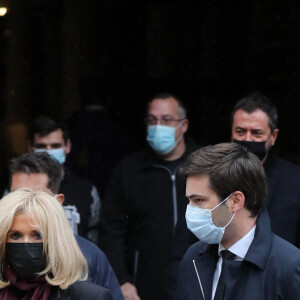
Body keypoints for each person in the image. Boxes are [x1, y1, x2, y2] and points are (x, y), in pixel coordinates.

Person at [99, 93, 199, 300]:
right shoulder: (128, 171)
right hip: (142, 289)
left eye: (166, 120)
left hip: (198, 286)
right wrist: (122, 281)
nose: (158, 126)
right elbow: (112, 232)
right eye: (152, 120)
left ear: (184, 125)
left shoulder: (205, 167)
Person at [176, 142, 300, 300]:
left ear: (235, 201)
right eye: (190, 200)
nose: (190, 209)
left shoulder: (289, 266)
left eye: (199, 200)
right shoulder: (193, 258)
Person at [9, 152, 124, 300]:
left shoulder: (88, 256)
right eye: (16, 196)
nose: (24, 205)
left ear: (58, 202)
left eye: (36, 197)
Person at [0, 188, 112, 299]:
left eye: (38, 235)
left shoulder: (91, 297)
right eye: (15, 236)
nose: (26, 244)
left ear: (56, 240)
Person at [231, 92, 300, 247]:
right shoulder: (214, 178)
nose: (247, 139)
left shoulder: (294, 182)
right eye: (240, 132)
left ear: (273, 136)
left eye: (256, 133)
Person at [27, 115, 101, 243]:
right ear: (30, 147)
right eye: (42, 146)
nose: (48, 152)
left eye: (55, 146)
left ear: (67, 146)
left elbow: (94, 241)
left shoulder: (86, 191)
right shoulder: (16, 189)